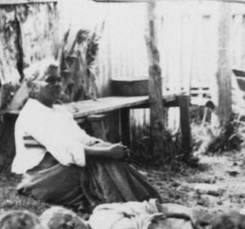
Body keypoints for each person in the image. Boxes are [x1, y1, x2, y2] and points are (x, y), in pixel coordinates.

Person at [13, 58, 160, 212]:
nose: (57, 85)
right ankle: (130, 202)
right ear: (33, 86)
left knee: (105, 156)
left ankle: (135, 200)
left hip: (63, 168)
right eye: (50, 80)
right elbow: (64, 149)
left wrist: (102, 146)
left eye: (58, 80)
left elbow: (81, 137)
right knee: (102, 162)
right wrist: (107, 152)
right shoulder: (33, 114)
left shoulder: (59, 111)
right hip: (43, 178)